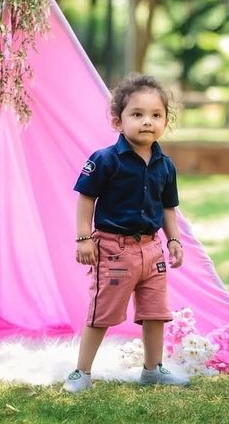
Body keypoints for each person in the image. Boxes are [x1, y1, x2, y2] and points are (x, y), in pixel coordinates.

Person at [62, 74, 188, 393]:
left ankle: (152, 370)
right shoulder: (105, 159)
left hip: (152, 251)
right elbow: (86, 198)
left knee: (155, 313)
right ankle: (82, 372)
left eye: (156, 115)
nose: (147, 122)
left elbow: (168, 208)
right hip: (114, 251)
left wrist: (173, 240)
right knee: (101, 313)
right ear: (118, 121)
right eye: (137, 114)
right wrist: (83, 238)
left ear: (165, 121)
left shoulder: (165, 165)